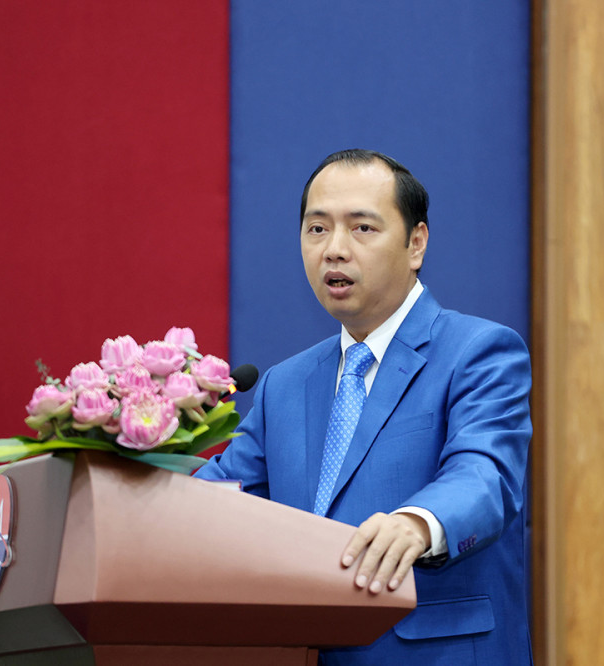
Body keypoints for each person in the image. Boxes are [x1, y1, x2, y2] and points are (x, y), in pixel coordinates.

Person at [194, 149, 533, 665]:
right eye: (317, 229)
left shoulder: (479, 352)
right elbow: (217, 499)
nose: (334, 250)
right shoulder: (284, 384)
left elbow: (485, 476)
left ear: (416, 243)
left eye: (362, 229)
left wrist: (417, 523)